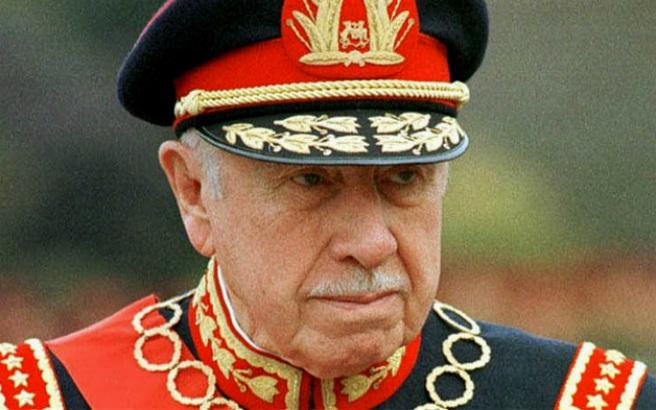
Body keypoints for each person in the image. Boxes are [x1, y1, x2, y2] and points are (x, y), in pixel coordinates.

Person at [0, 0, 654, 408]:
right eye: (310, 181)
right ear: (194, 193)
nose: (371, 243)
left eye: (405, 179)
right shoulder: (45, 397)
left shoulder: (590, 399)